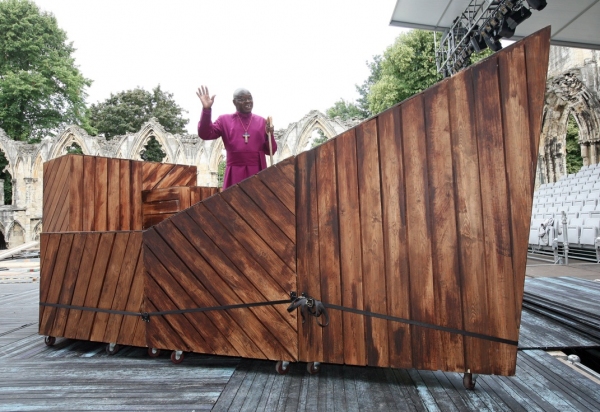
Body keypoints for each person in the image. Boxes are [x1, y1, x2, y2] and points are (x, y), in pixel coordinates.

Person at [197, 86, 277, 189]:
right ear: (234, 102)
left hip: (258, 171)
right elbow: (205, 134)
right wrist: (206, 110)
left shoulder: (262, 121)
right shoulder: (224, 120)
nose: (247, 101)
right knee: (234, 203)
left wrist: (270, 134)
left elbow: (271, 150)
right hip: (234, 173)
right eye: (242, 99)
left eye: (250, 98)